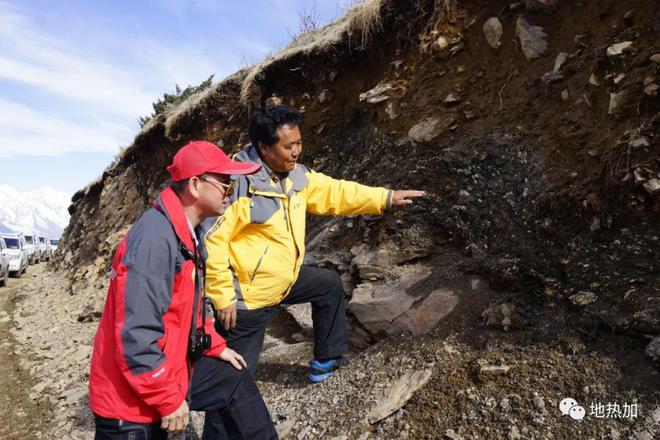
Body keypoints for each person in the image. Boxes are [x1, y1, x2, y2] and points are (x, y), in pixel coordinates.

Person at [203, 104, 424, 382]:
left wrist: (385, 198)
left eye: (299, 143)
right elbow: (212, 241)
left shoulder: (296, 176)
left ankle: (326, 362)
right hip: (247, 299)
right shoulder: (237, 185)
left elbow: (337, 193)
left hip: (283, 281)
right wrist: (223, 298)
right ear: (264, 148)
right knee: (231, 383)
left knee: (328, 284)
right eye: (288, 146)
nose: (297, 151)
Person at [89, 140, 278, 440]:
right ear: (194, 184)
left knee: (233, 376)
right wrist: (167, 398)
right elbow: (134, 335)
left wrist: (215, 345)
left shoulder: (186, 233)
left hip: (171, 367)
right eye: (225, 184)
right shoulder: (155, 239)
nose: (231, 193)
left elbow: (189, 309)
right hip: (128, 405)